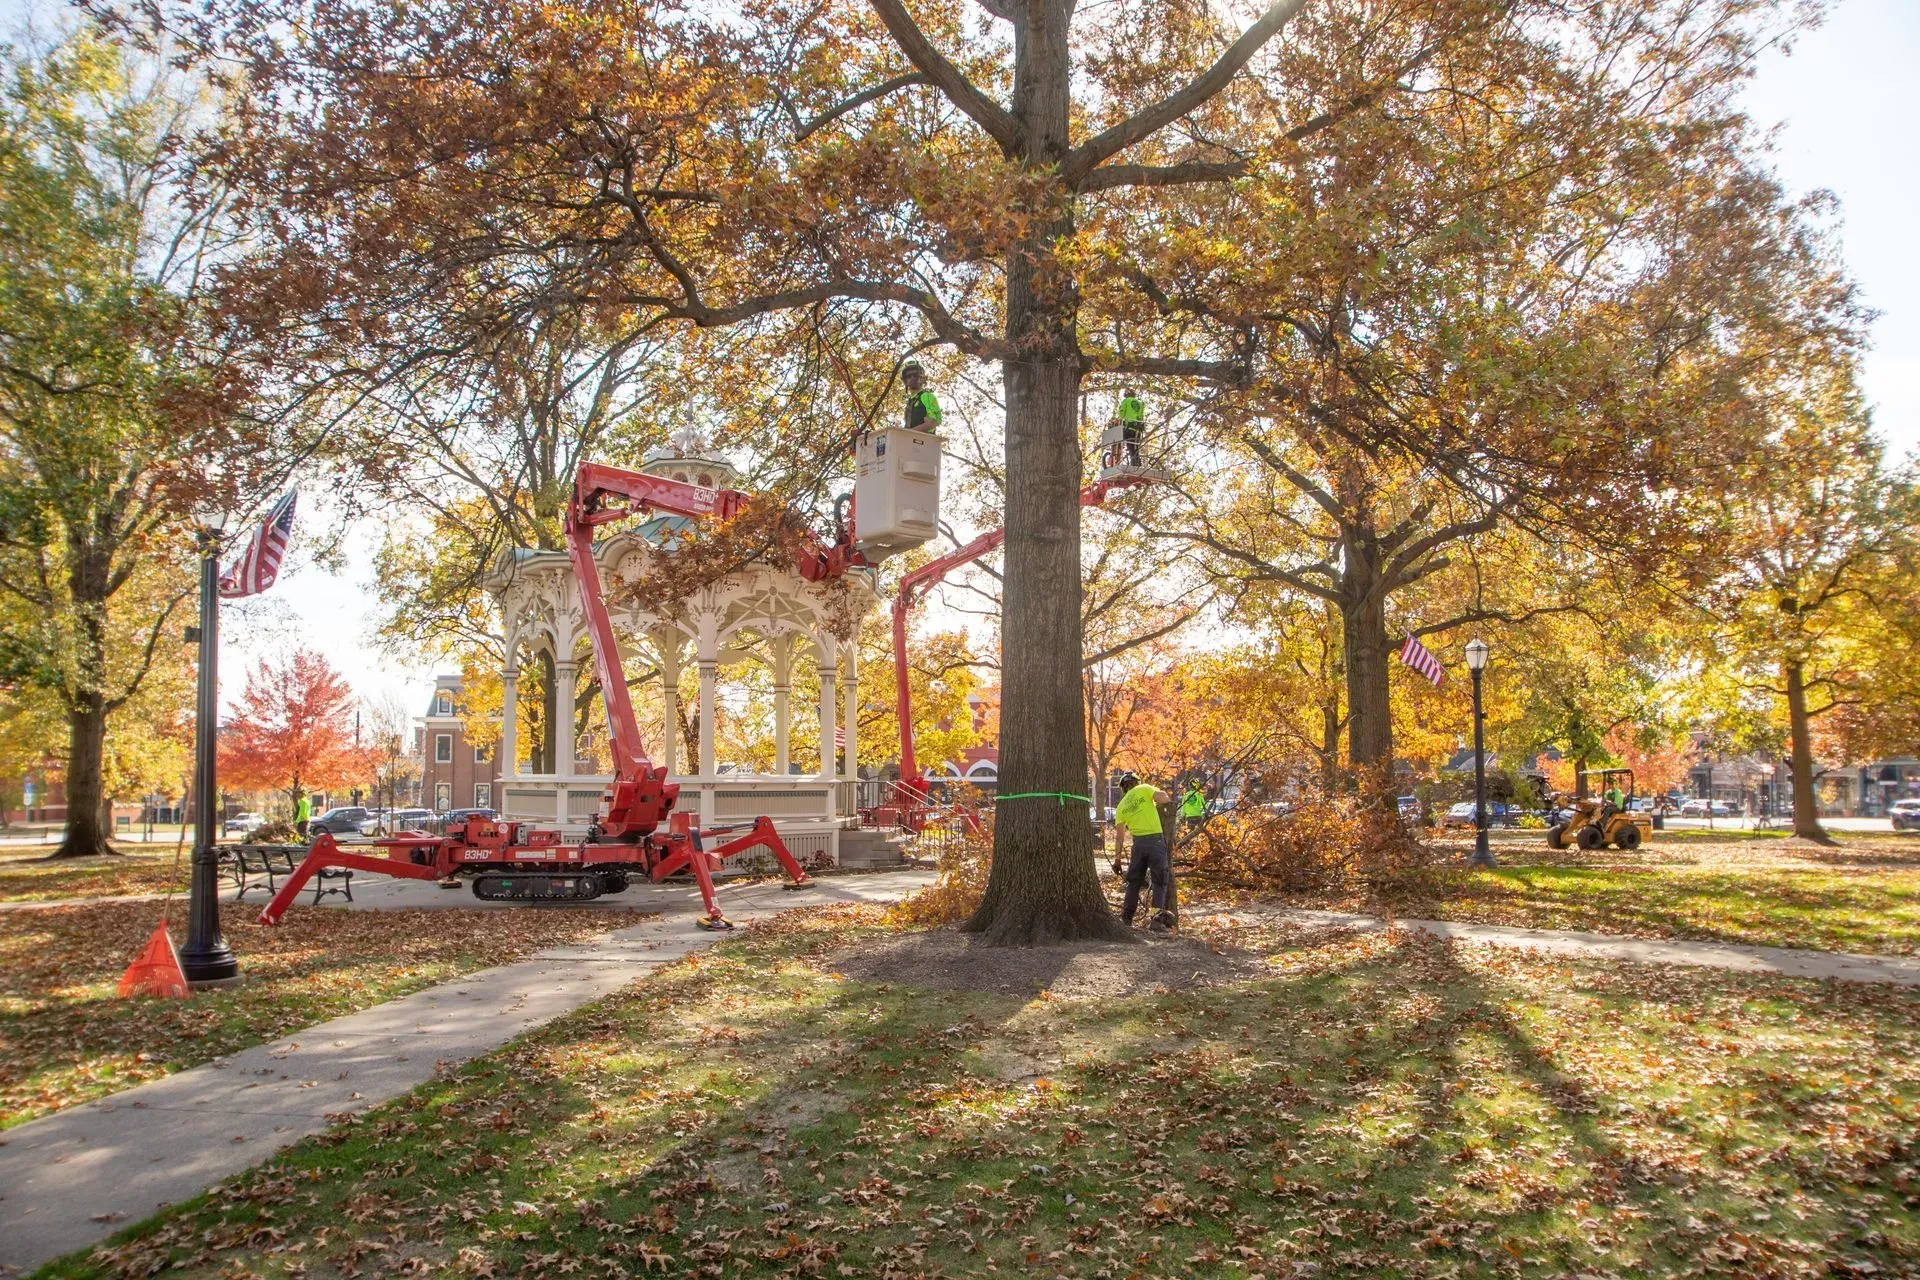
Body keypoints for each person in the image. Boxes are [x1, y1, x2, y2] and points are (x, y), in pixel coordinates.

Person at [1114, 771, 1174, 932]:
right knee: (1159, 882)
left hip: (1138, 844)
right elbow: (1163, 798)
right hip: (1155, 841)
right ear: (1137, 782)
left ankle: (1127, 918)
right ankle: (1156, 920)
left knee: (1134, 882)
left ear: (1123, 788)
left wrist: (1117, 860)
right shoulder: (1144, 788)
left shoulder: (1121, 807)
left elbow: (1119, 837)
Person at [902, 361, 943, 432]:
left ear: (922, 378)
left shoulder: (927, 396)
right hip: (909, 440)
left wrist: (908, 433)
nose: (912, 378)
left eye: (915, 375)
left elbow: (934, 422)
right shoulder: (909, 402)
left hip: (925, 441)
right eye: (909, 376)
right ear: (905, 381)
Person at [1116, 388, 1145, 465]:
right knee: (1135, 447)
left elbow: (1121, 414)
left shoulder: (1126, 401)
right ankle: (1137, 463)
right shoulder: (1140, 403)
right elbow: (1141, 416)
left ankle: (1133, 463)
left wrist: (1119, 420)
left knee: (1127, 445)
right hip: (1138, 428)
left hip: (1129, 426)